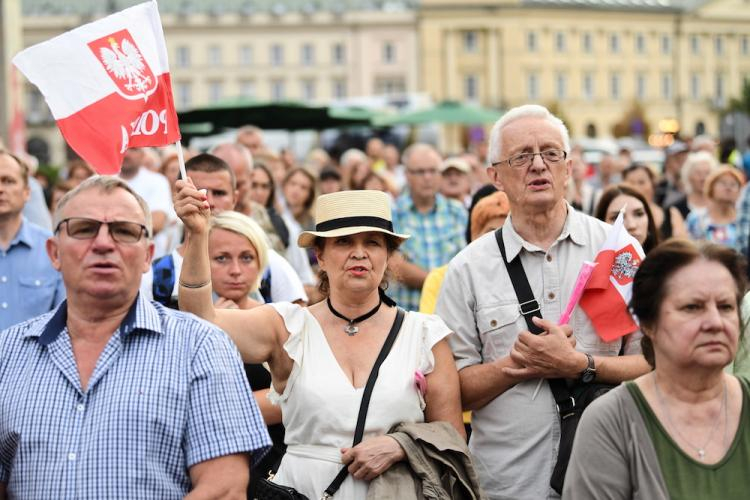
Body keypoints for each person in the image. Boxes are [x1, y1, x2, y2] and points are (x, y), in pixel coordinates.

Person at [175, 187, 465, 499]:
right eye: (343, 241)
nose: (359, 252)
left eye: (372, 242)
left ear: (387, 256)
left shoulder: (424, 334)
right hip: (304, 490)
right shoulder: (287, 326)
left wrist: (401, 445)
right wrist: (197, 234)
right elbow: (201, 319)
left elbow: (452, 437)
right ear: (320, 256)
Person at [0, 175, 270, 497]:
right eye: (84, 229)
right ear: (54, 252)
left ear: (147, 256)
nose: (103, 243)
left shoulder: (201, 346)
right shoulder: (8, 352)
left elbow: (223, 489)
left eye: (124, 231)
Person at [435, 104, 649, 499]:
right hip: (507, 483)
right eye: (521, 156)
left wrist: (581, 365)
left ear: (569, 168)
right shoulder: (467, 269)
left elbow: (654, 366)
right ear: (495, 176)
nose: (538, 165)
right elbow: (451, 391)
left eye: (551, 153)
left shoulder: (616, 252)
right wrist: (516, 365)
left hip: (606, 479)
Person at [564, 239, 750, 499]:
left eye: (726, 306)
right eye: (692, 307)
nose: (715, 322)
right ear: (649, 324)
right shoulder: (612, 421)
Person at [144, 154, 307, 308]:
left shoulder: (267, 262)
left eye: (220, 193)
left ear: (235, 199)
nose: (209, 202)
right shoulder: (155, 275)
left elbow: (298, 326)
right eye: (199, 192)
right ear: (178, 198)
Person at [389, 143, 467, 312]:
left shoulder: (457, 211)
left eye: (433, 171)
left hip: (450, 315)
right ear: (407, 175)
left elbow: (466, 263)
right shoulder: (392, 212)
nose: (427, 177)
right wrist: (440, 282)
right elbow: (394, 264)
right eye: (420, 172)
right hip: (407, 313)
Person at [0, 150, 65, 331]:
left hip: (35, 358)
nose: (1, 189)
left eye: (8, 181)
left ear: (27, 192)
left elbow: (65, 321)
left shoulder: (53, 249)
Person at [420, 190, 510, 314]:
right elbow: (430, 330)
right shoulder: (441, 278)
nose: (499, 240)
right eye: (491, 232)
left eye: (506, 233)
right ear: (474, 236)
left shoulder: (529, 275)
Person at [119, 147, 175, 258]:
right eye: (123, 148)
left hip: (150, 261)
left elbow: (156, 224)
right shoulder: (101, 179)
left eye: (133, 149)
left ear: (142, 154)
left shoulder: (158, 181)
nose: (127, 154)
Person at [623, 163, 686, 239]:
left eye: (641, 182)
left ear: (652, 184)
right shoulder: (618, 217)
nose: (636, 187)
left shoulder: (672, 214)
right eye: (631, 183)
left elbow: (682, 245)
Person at [685, 166, 744, 247]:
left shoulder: (743, 219)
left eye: (733, 184)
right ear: (711, 188)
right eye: (723, 183)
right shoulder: (696, 218)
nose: (728, 188)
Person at [594, 184, 660, 254]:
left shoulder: (667, 262)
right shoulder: (587, 262)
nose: (631, 225)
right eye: (617, 218)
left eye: (639, 214)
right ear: (601, 222)